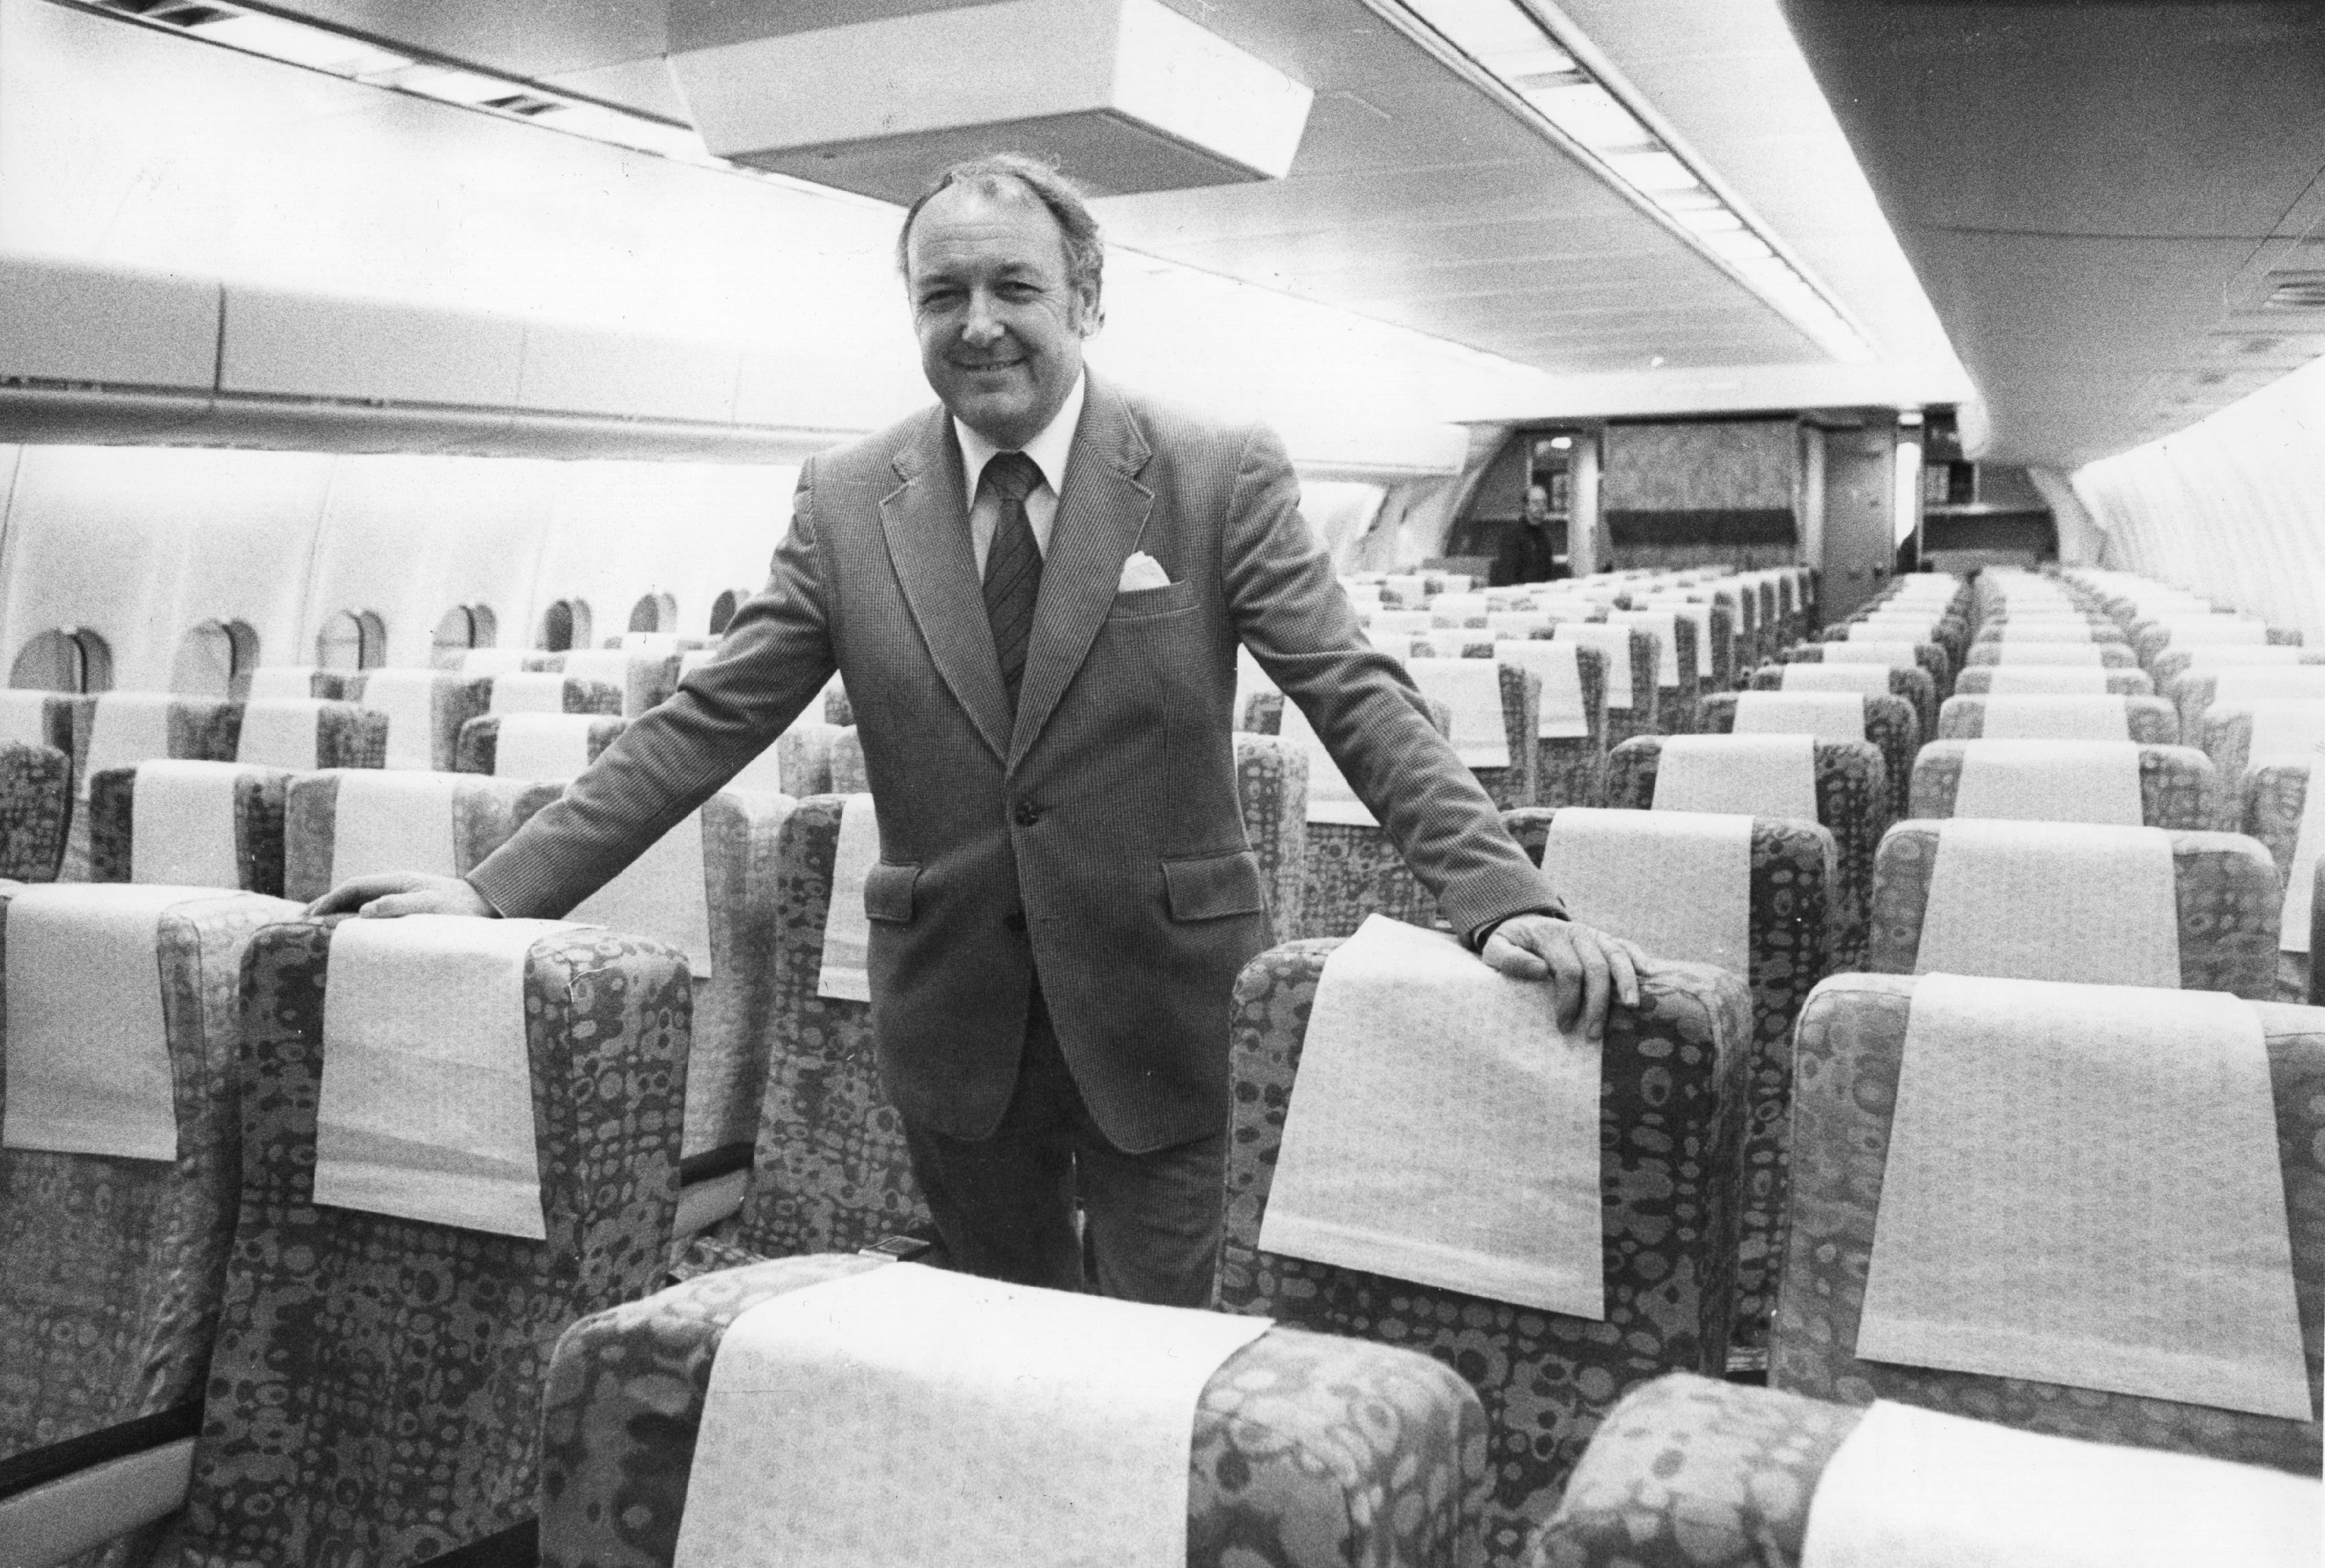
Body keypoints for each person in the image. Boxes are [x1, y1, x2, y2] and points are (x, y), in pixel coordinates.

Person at [313, 153, 1646, 1307]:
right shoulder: (848, 498)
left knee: (1147, 1357)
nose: (980, 325)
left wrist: (1497, 896)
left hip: (1157, 1001)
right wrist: (493, 894)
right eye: (943, 295)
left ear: (1087, 298)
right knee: (1003, 1351)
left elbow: (1355, 690)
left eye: (1015, 288)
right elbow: (702, 723)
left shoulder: (1210, 470)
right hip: (954, 1003)